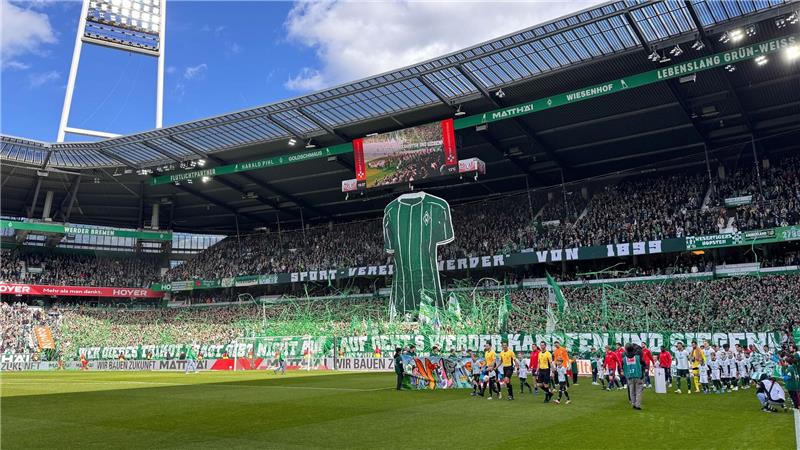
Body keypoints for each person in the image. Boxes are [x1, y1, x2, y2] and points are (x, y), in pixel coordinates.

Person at [622, 343, 646, 410]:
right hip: (638, 375)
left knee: (631, 390)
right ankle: (637, 404)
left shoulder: (624, 358)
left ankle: (633, 403)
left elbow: (622, 366)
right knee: (638, 390)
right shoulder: (637, 357)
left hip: (629, 376)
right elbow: (644, 364)